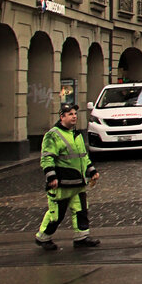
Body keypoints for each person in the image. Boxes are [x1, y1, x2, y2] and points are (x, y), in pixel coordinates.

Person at [34, 102, 100, 251]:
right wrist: (51, 177)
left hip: (78, 183)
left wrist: (92, 171)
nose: (74, 117)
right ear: (62, 117)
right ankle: (43, 237)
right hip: (62, 184)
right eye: (70, 114)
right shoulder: (53, 135)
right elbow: (47, 158)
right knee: (56, 215)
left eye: (75, 114)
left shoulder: (76, 134)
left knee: (81, 211)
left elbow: (83, 157)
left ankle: (81, 237)